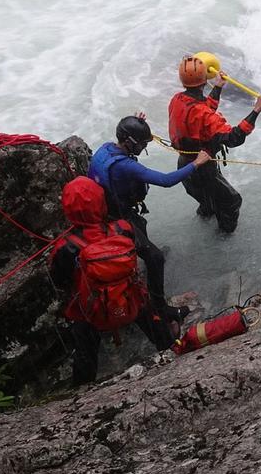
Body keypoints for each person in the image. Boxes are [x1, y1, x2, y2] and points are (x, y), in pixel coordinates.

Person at [48, 176, 179, 385]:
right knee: (149, 314)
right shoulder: (123, 228)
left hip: (91, 311)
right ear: (102, 202)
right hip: (130, 299)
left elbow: (60, 281)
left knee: (83, 343)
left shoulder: (65, 247)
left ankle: (82, 390)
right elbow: (146, 254)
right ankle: (173, 347)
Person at [88, 114, 212, 324]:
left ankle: (141, 255)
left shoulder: (106, 148)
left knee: (141, 227)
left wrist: (135, 123)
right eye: (142, 143)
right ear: (130, 142)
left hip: (109, 209)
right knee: (156, 258)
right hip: (117, 217)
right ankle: (161, 308)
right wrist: (196, 163)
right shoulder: (125, 166)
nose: (143, 148)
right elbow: (165, 181)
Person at [168, 53, 261, 234]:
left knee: (207, 201)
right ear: (203, 81)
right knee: (231, 201)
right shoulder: (203, 113)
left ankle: (206, 214)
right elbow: (233, 138)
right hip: (202, 169)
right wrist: (256, 110)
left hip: (185, 166)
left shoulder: (177, 99)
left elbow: (200, 112)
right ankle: (223, 236)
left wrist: (217, 88)